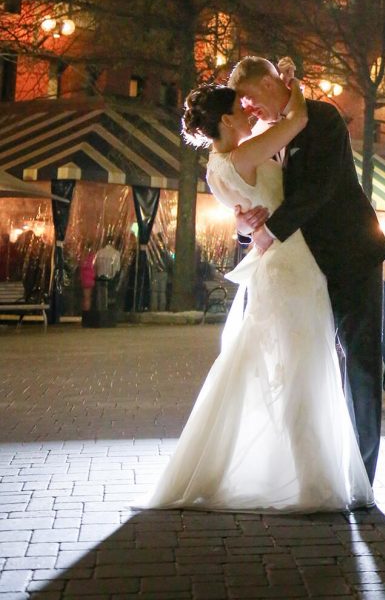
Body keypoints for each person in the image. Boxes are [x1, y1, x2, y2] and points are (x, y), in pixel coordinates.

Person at [146, 78, 373, 513]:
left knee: (285, 365)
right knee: (301, 367)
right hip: (290, 266)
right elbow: (300, 118)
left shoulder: (217, 166)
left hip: (281, 265)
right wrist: (294, 84)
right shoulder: (246, 151)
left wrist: (249, 225)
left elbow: (246, 215)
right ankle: (314, 481)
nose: (250, 111)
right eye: (242, 106)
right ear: (227, 120)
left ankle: (304, 472)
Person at [229, 55, 385, 485]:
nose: (247, 109)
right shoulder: (268, 135)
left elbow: (321, 188)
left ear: (268, 83)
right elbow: (258, 199)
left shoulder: (322, 118)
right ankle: (316, 469)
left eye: (248, 97)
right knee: (313, 366)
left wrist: (271, 233)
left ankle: (362, 478)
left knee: (360, 363)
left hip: (351, 255)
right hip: (302, 269)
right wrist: (247, 230)